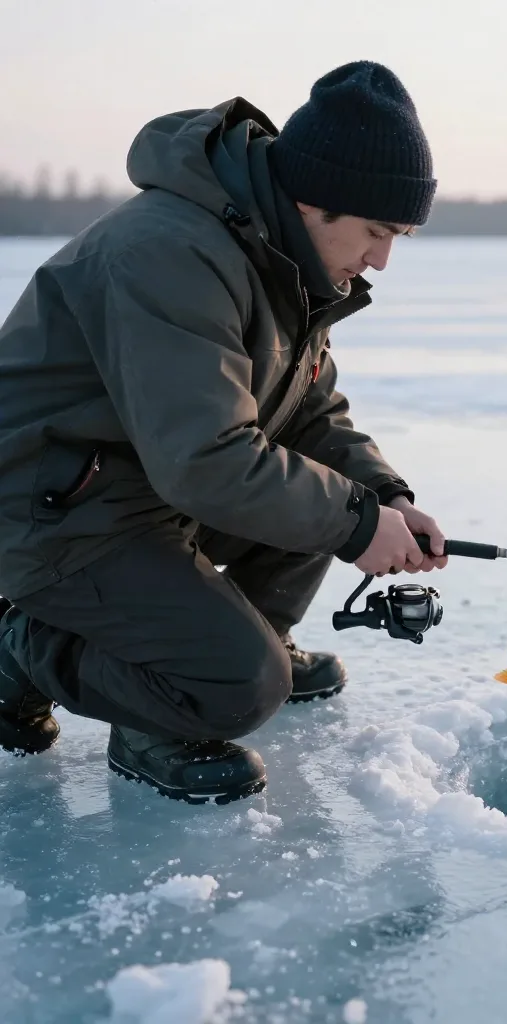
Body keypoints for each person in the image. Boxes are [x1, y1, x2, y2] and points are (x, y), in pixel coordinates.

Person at [0, 61, 448, 804]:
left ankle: (223, 646)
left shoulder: (280, 258)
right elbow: (205, 460)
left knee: (325, 510)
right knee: (241, 686)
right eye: (376, 231)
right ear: (314, 202)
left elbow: (309, 416)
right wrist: (355, 521)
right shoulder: (169, 253)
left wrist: (382, 496)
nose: (381, 259)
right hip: (45, 509)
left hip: (135, 487)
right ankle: (36, 658)